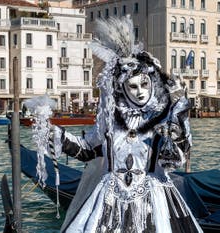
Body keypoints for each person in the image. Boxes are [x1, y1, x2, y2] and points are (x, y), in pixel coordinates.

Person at [50, 18, 203, 233]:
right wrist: (55, 134)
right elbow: (87, 150)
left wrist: (177, 117)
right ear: (122, 89)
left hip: (154, 202)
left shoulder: (162, 117)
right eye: (133, 86)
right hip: (108, 200)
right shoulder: (110, 119)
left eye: (144, 84)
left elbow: (174, 159)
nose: (140, 91)